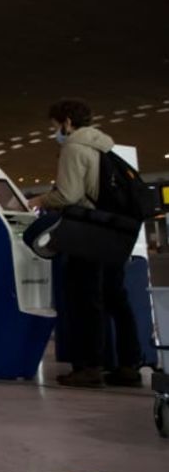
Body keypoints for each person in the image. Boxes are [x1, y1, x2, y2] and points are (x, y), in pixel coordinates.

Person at [27, 99, 142, 389]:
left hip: (88, 234)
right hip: (113, 232)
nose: (55, 132)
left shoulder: (74, 147)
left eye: (55, 126)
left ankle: (89, 368)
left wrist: (39, 200)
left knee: (85, 301)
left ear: (67, 121)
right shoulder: (103, 145)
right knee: (116, 299)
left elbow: (68, 194)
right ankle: (129, 365)